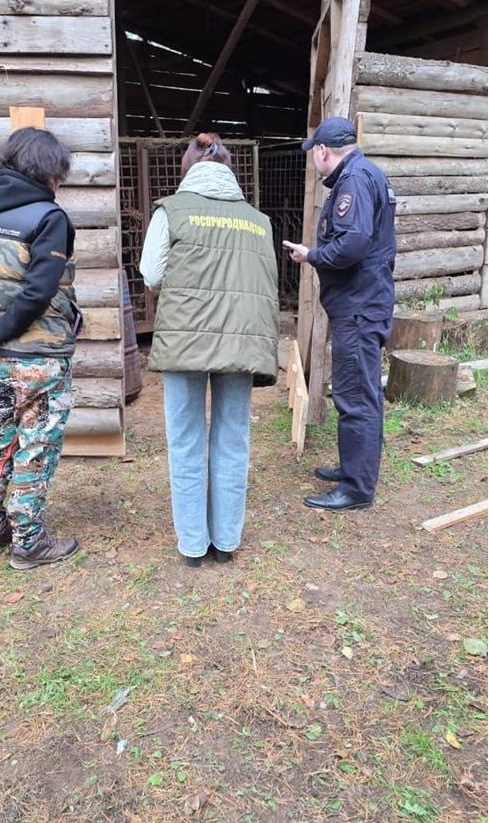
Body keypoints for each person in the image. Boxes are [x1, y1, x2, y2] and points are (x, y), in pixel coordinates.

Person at [0, 127, 82, 569]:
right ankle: (29, 541)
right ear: (47, 171)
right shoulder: (49, 218)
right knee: (35, 444)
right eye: (60, 172)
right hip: (39, 357)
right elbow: (39, 292)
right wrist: (0, 331)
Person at [139, 133, 278, 567]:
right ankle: (226, 542)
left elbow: (150, 274)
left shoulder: (171, 211)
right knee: (233, 439)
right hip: (241, 341)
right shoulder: (259, 221)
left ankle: (193, 545)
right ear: (230, 170)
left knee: (185, 440)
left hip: (184, 339)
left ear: (188, 167)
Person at [282, 116, 397, 511]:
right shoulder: (366, 174)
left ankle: (357, 489)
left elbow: (352, 244)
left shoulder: (353, 182)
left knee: (355, 396)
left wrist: (312, 255)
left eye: (313, 152)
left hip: (360, 308)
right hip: (363, 303)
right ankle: (355, 468)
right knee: (361, 391)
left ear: (322, 151)